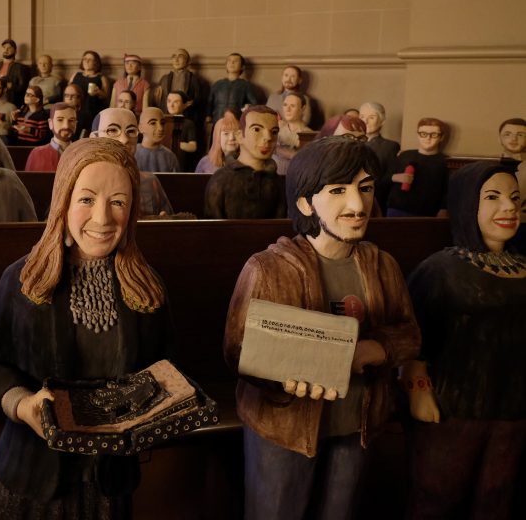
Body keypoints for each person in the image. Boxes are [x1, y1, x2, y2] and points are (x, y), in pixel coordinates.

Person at [223, 136, 420, 520]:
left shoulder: (382, 266)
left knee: (339, 511)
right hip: (286, 426)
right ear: (304, 202)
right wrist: (281, 373)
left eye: (365, 188)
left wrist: (371, 350)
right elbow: (237, 348)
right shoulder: (268, 268)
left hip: (355, 425)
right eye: (338, 190)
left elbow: (409, 333)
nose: (357, 204)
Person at [0, 137, 171, 518]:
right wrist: (22, 405)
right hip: (37, 471)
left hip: (107, 474)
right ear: (63, 201)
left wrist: (149, 406)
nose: (102, 218)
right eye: (86, 199)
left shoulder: (146, 287)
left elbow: (164, 367)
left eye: (118, 201)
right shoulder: (23, 280)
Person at [403, 161, 525, 520]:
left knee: (497, 494)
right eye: (493, 197)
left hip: (513, 410)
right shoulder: (440, 270)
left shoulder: (522, 267)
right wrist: (418, 389)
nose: (509, 208)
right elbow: (413, 339)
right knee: (437, 492)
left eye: (515, 198)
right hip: (452, 409)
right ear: (467, 204)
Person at [204, 105, 285, 219]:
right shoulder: (221, 180)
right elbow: (212, 227)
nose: (268, 137)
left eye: (274, 132)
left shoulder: (278, 184)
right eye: (257, 129)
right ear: (240, 136)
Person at [94, 107, 174, 217]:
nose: (124, 139)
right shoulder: (84, 182)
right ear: (94, 138)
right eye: (112, 130)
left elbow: (170, 220)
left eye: (131, 131)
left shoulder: (150, 182)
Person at [387, 117, 449, 217]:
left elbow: (447, 191)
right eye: (423, 134)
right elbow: (383, 179)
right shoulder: (404, 156)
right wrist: (395, 177)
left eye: (434, 135)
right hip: (397, 208)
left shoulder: (443, 162)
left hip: (426, 213)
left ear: (441, 137)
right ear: (418, 135)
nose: (428, 138)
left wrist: (443, 209)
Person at [359, 102, 400, 212]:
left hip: (376, 199)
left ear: (382, 121)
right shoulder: (349, 143)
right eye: (362, 117)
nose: (365, 121)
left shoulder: (390, 146)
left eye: (371, 117)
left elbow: (387, 178)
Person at [205, 53, 256, 130]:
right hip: (218, 120)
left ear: (242, 66)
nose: (232, 63)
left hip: (236, 121)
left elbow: (254, 103)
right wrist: (208, 115)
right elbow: (209, 102)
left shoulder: (245, 85)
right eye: (229, 61)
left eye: (236, 61)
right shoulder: (217, 84)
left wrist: (247, 107)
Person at [24, 102, 77, 172]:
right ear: (50, 123)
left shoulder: (81, 154)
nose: (66, 126)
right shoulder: (37, 154)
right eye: (60, 120)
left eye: (71, 120)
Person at [274, 92, 312, 175]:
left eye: (293, 106)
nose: (288, 109)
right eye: (285, 105)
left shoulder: (309, 135)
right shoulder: (276, 129)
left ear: (303, 108)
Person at [70, 50, 111, 122]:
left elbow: (106, 97)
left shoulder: (101, 77)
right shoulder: (76, 75)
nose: (87, 61)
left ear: (96, 62)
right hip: (75, 109)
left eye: (90, 59)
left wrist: (98, 92)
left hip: (93, 110)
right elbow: (67, 91)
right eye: (85, 59)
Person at [135, 107, 179, 173]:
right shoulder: (132, 153)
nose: (160, 128)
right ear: (140, 128)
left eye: (162, 123)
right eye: (153, 123)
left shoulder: (170, 157)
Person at [0, 39, 29, 106]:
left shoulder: (20, 68)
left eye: (9, 48)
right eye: (4, 48)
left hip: (11, 101)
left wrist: (11, 86)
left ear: (15, 51)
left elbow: (23, 87)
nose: (6, 50)